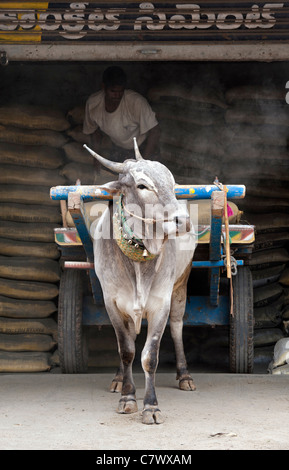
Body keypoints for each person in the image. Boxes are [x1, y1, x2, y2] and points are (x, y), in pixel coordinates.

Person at [83, 66, 160, 163]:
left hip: (144, 147)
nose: (117, 95)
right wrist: (96, 157)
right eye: (113, 91)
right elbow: (94, 132)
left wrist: (143, 162)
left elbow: (155, 131)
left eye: (120, 91)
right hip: (119, 148)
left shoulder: (136, 102)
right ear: (103, 87)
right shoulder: (93, 104)